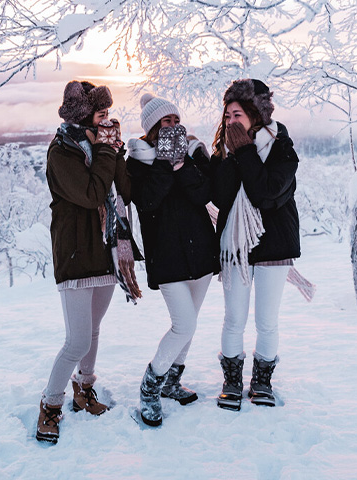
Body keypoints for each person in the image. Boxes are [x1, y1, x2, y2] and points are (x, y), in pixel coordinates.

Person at [37, 80, 143, 443]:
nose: (107, 120)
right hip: (76, 254)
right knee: (77, 340)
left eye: (108, 114)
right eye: (101, 114)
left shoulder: (102, 149)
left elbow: (124, 191)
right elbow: (90, 193)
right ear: (84, 118)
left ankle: (84, 390)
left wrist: (118, 154)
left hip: (105, 252)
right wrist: (104, 153)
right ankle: (50, 404)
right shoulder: (61, 152)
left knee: (94, 331)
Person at [127, 94, 219, 427]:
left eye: (176, 120)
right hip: (167, 258)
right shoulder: (137, 161)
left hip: (200, 255)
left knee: (189, 324)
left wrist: (182, 164)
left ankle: (171, 382)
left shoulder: (193, 153)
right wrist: (166, 162)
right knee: (185, 324)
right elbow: (148, 201)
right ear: (152, 128)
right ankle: (150, 389)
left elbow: (204, 193)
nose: (173, 126)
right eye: (166, 121)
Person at [210, 79, 300, 410]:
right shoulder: (223, 151)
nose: (231, 120)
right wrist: (230, 156)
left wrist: (245, 152)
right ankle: (231, 381)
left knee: (266, 320)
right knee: (234, 317)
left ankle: (262, 381)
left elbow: (266, 192)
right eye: (228, 115)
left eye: (238, 114)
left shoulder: (281, 147)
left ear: (255, 113)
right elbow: (220, 197)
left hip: (274, 245)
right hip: (236, 245)